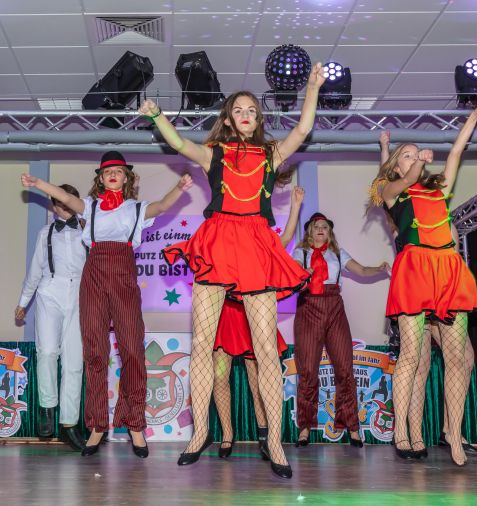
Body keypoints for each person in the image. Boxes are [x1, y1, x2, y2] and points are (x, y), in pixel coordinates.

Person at [144, 62, 324, 479]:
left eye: (252, 111)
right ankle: (200, 432)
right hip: (219, 240)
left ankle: (274, 440)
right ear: (227, 118)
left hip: (256, 244)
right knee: (202, 343)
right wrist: (156, 117)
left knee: (266, 350)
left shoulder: (271, 154)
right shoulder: (215, 153)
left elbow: (302, 129)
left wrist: (313, 87)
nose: (246, 115)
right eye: (238, 110)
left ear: (258, 120)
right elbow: (179, 144)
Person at [20, 151, 192, 459]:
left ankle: (135, 425)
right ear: (100, 178)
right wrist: (38, 184)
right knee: (95, 352)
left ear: (126, 178)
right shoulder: (91, 206)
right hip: (94, 277)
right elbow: (65, 198)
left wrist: (179, 187)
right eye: (107, 171)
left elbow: (163, 206)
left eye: (118, 171)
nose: (113, 174)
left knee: (132, 350)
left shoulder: (135, 209)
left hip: (124, 275)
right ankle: (98, 425)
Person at [369, 102, 477, 466]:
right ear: (397, 166)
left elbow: (455, 153)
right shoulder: (392, 191)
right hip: (415, 270)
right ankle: (403, 433)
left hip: (447, 269)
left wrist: (474, 117)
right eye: (406, 155)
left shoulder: (438, 190)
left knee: (458, 358)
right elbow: (405, 179)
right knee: (412, 357)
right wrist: (396, 154)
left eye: (416, 153)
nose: (415, 157)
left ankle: (453, 431)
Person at [212, 186, 303, 461]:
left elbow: (285, 238)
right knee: (219, 375)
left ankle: (265, 435)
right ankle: (227, 435)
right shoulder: (223, 239)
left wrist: (296, 206)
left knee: (257, 375)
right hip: (226, 313)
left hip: (252, 314)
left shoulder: (260, 240)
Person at [292, 212, 389, 448]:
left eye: (325, 226)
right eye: (317, 226)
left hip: (334, 308)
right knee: (308, 371)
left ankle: (352, 427)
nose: (321, 229)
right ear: (310, 230)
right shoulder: (300, 252)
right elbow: (293, 275)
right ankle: (305, 428)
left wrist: (378, 268)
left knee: (345, 369)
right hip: (308, 307)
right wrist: (304, 274)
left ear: (329, 232)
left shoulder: (337, 253)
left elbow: (361, 270)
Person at [15, 184, 87, 451]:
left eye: (68, 201)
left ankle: (70, 424)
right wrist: (23, 302)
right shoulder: (45, 233)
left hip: (80, 295)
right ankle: (47, 408)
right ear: (54, 206)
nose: (64, 206)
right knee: (46, 352)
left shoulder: (88, 232)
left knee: (74, 362)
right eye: (59, 202)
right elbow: (35, 270)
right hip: (50, 292)